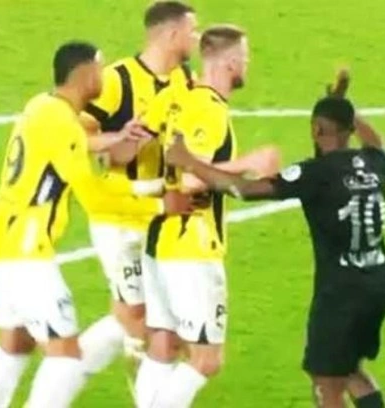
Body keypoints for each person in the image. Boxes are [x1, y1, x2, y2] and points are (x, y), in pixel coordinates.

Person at [0, 41, 191, 408]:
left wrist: (118, 140)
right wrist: (159, 204)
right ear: (87, 73)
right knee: (64, 356)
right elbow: (94, 196)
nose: (105, 76)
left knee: (15, 343)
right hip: (26, 251)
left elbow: (74, 145)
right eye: (100, 68)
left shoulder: (43, 107)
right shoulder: (62, 121)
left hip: (0, 238)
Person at [163, 70, 385, 408]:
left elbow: (244, 188)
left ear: (316, 129)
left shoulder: (315, 174)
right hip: (378, 284)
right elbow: (378, 142)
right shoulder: (375, 163)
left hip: (341, 293)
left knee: (326, 382)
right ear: (349, 129)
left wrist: (188, 161)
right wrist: (346, 108)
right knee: (350, 369)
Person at [134, 24, 279, 407]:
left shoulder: (186, 99)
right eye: (245, 57)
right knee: (206, 360)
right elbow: (188, 179)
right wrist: (249, 163)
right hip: (192, 247)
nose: (247, 64)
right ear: (230, 62)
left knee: (163, 345)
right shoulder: (208, 109)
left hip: (162, 240)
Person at [78, 0, 200, 374]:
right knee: (139, 317)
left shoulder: (186, 80)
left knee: (154, 315)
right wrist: (118, 141)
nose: (196, 38)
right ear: (173, 34)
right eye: (192, 31)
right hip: (120, 211)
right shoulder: (116, 80)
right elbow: (77, 136)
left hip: (163, 209)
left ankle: (63, 373)